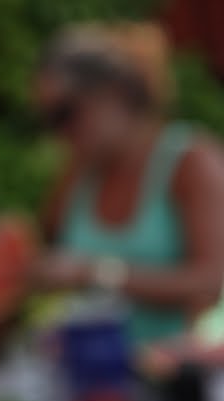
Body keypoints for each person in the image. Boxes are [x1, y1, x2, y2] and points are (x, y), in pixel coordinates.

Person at [32, 23, 224, 348]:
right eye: (47, 119)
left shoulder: (190, 162)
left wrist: (97, 274)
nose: (59, 132)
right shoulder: (77, 175)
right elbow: (43, 257)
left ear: (114, 93)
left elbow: (212, 281)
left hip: (177, 367)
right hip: (90, 367)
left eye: (64, 113)